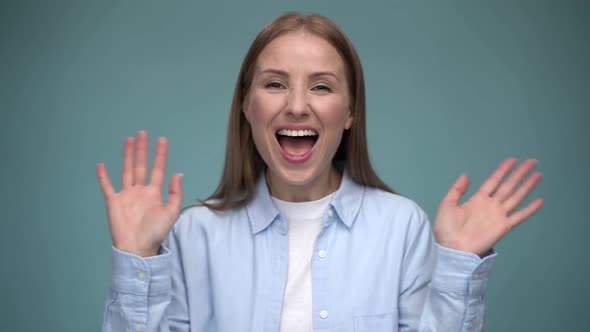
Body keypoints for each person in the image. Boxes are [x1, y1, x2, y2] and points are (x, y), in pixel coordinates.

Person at [97, 12, 543, 332]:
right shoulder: (195, 234)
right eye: (274, 84)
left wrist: (456, 268)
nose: (296, 105)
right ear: (247, 107)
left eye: (322, 86)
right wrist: (137, 259)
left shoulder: (401, 226)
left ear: (349, 112)